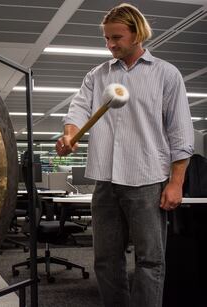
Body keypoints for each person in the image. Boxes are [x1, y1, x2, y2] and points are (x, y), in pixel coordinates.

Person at [55, 3, 194, 307]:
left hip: (147, 180)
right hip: (105, 181)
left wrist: (176, 183)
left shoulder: (166, 75)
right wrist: (69, 133)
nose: (110, 44)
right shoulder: (97, 75)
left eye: (116, 37)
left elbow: (181, 135)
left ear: (137, 33)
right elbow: (77, 108)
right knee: (106, 261)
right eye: (106, 38)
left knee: (149, 262)